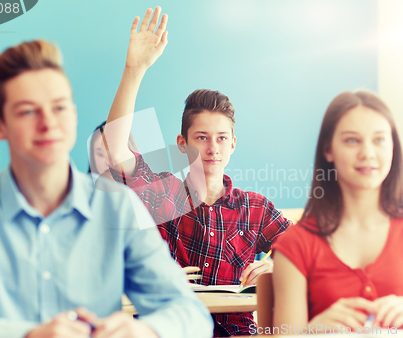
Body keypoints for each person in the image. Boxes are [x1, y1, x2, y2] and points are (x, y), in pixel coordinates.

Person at [0, 39, 213, 338]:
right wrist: (29, 335)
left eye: (59, 107)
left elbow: (191, 315)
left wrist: (144, 331)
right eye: (28, 111)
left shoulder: (118, 207)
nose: (48, 123)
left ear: (74, 115)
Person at [101, 7, 291, 336]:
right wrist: (135, 70)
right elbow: (116, 152)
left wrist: (275, 265)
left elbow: (303, 244)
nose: (211, 148)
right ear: (182, 143)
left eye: (220, 138)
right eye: (201, 138)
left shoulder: (255, 208)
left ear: (233, 144)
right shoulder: (162, 193)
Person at [272, 91, 403, 333]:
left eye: (379, 140)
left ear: (393, 147)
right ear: (328, 149)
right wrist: (311, 331)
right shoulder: (296, 243)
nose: (368, 153)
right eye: (352, 140)